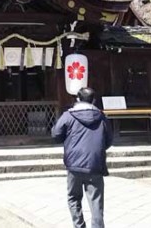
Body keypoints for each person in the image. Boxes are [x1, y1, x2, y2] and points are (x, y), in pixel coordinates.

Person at [52, 88, 113, 228]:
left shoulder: (68, 116)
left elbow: (56, 135)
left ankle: (79, 225)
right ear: (94, 100)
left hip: (74, 164)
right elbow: (109, 139)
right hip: (95, 164)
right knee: (96, 201)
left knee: (74, 198)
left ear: (78, 99)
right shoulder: (101, 116)